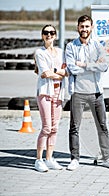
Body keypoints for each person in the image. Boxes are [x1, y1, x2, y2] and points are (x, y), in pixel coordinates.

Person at [65, 15, 109, 170]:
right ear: (77, 27)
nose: (84, 29)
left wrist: (84, 65)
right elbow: (71, 68)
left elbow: (104, 66)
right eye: (82, 26)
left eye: (87, 26)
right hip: (78, 93)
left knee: (102, 126)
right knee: (74, 127)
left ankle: (107, 158)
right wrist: (92, 66)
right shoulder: (71, 47)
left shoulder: (97, 46)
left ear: (92, 27)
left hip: (96, 93)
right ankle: (74, 159)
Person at [34, 24, 68, 172]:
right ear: (42, 35)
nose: (49, 35)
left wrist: (56, 72)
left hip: (58, 92)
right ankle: (38, 160)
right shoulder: (39, 52)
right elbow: (44, 74)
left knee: (54, 128)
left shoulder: (61, 52)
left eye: (52, 32)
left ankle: (49, 158)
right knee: (46, 127)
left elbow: (67, 72)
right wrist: (58, 73)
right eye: (46, 33)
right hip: (45, 92)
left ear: (55, 35)